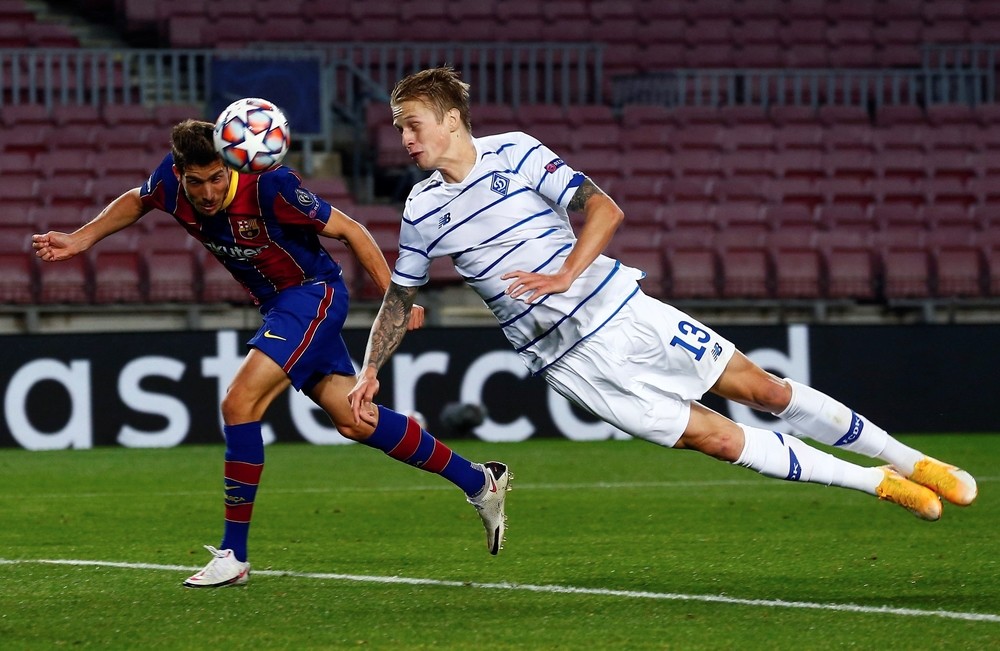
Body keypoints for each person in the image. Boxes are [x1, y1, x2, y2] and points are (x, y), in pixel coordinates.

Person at [348, 67, 977, 528]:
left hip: (622, 312)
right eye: (400, 128)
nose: (405, 139)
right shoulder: (422, 208)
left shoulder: (516, 152)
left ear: (451, 118)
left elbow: (603, 208)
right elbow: (402, 297)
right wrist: (372, 368)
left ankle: (913, 460)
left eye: (413, 125)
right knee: (717, 440)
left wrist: (567, 272)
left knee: (764, 390)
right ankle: (878, 483)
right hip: (569, 362)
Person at [31, 118, 511, 588]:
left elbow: (352, 231)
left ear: (230, 166)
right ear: (180, 176)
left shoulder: (270, 186)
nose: (207, 193)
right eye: (196, 182)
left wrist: (395, 299)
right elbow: (136, 202)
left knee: (239, 403)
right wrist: (80, 239)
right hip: (277, 307)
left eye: (216, 178)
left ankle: (234, 555)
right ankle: (477, 481)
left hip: (311, 294)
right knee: (353, 419)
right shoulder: (169, 184)